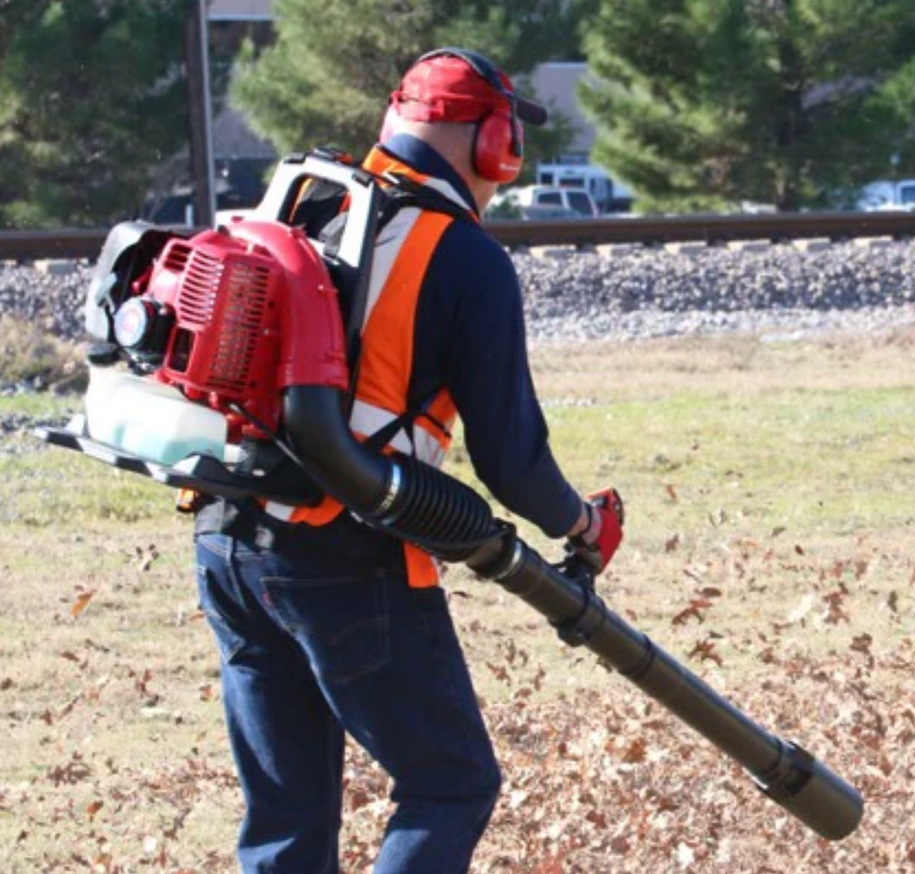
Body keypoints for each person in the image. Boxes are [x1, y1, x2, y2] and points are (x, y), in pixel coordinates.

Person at [191, 47, 625, 874]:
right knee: (450, 784)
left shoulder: (307, 202)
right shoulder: (465, 258)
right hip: (344, 552)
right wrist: (581, 524)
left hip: (227, 536)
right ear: (493, 142)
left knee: (287, 813)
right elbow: (512, 463)